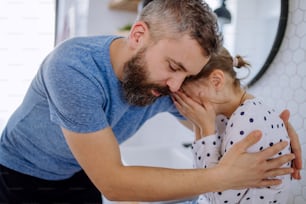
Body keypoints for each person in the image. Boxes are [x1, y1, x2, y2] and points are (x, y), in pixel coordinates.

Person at [0, 0, 300, 203]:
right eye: (173, 66)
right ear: (139, 35)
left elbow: (227, 109)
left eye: (187, 75)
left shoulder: (166, 83)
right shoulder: (73, 68)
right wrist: (221, 177)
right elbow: (113, 183)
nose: (176, 86)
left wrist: (276, 128)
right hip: (20, 173)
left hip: (79, 171)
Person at [173, 47, 295, 204]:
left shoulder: (246, 120)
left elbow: (218, 198)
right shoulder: (232, 114)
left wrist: (206, 128)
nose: (185, 102)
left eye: (186, 94)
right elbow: (201, 179)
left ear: (216, 81)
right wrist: (199, 125)